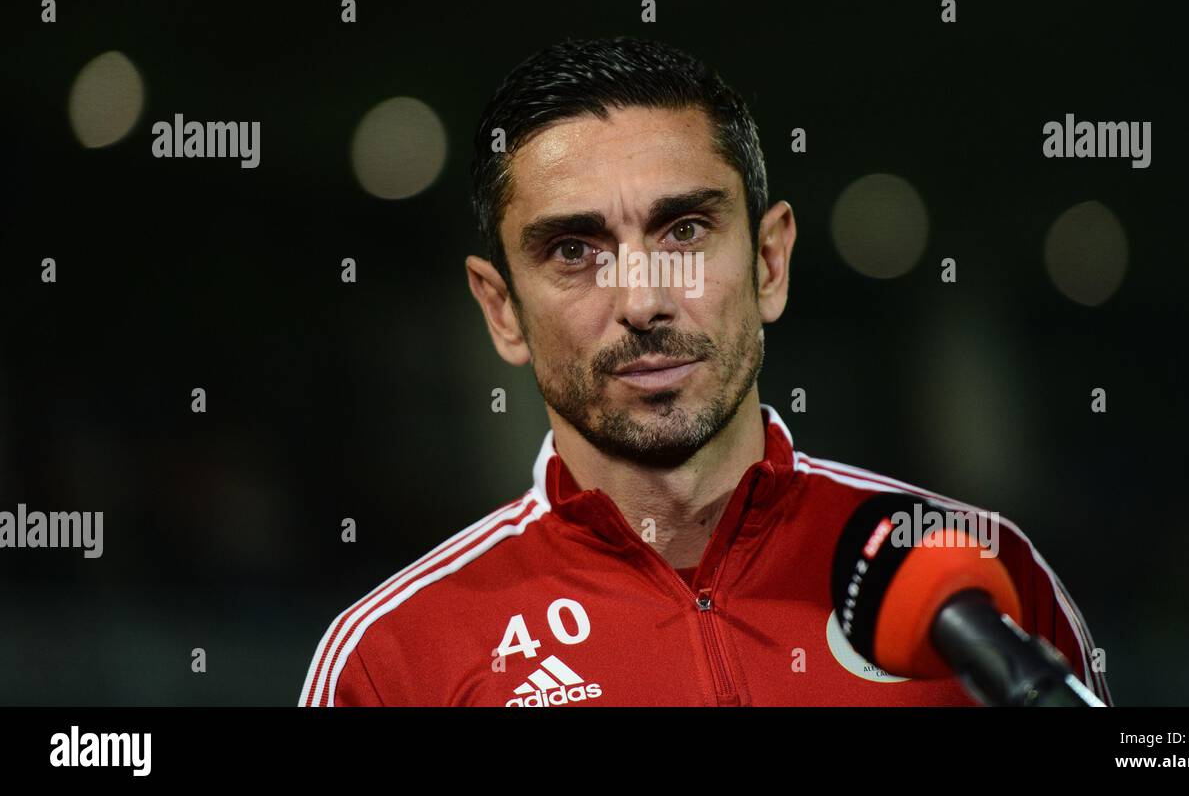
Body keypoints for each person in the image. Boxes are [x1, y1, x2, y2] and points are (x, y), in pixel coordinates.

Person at [299, 35, 1111, 706]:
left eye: (684, 230)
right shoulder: (391, 662)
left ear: (768, 262)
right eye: (574, 250)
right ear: (502, 308)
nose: (644, 300)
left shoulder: (979, 570)